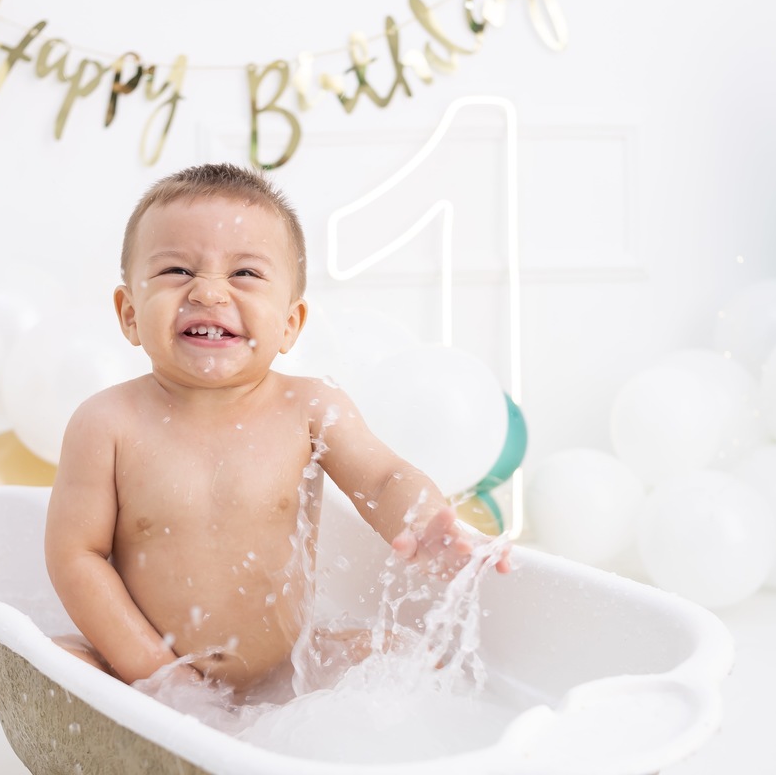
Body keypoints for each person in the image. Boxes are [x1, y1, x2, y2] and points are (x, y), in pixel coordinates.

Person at [44, 162, 510, 696]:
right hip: (140, 669)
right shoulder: (106, 423)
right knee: (54, 663)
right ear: (129, 313)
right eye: (177, 271)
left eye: (244, 274)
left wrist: (423, 519)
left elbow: (381, 478)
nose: (210, 293)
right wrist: (156, 675)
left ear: (289, 324)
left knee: (409, 657)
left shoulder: (309, 408)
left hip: (287, 670)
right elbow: (75, 556)